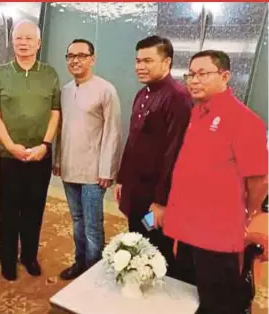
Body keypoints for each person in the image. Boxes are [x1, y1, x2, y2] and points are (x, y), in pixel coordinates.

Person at [164, 50, 268, 314]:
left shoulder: (244, 120)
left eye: (203, 74)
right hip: (187, 225)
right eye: (190, 74)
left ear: (225, 76)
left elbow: (259, 179)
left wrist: (251, 211)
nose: (194, 81)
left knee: (217, 301)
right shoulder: (196, 114)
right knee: (186, 292)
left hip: (217, 233)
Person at [114, 35, 193, 280]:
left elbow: (174, 152)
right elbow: (133, 141)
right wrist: (121, 179)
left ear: (167, 62)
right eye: (138, 60)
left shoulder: (177, 97)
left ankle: (159, 294)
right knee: (137, 237)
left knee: (156, 244)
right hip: (136, 189)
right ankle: (139, 285)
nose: (140, 66)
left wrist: (161, 202)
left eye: (148, 60)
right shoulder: (142, 94)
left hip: (155, 197)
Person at [0, 20, 61, 281]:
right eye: (19, 38)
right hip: (10, 155)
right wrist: (10, 146)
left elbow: (55, 113)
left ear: (38, 43)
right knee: (9, 209)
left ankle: (29, 256)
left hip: (40, 155)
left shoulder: (50, 74)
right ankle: (7, 259)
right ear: (12, 42)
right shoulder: (1, 73)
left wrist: (45, 145)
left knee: (34, 208)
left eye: (29, 38)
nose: (24, 43)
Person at [54, 39, 122, 280]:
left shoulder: (106, 90)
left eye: (81, 55)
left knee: (93, 226)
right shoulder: (64, 90)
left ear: (92, 59)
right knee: (76, 220)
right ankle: (79, 262)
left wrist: (107, 170)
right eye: (70, 56)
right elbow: (61, 129)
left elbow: (113, 132)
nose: (75, 60)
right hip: (69, 168)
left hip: (94, 172)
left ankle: (94, 274)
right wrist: (58, 159)